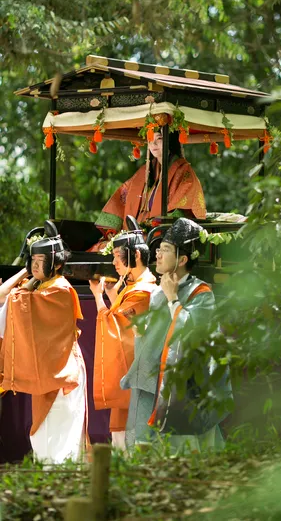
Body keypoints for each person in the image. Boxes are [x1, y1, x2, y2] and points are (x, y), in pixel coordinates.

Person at [121, 217, 230, 452]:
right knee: (149, 453)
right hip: (155, 385)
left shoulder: (202, 293)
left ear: (182, 259)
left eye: (166, 250)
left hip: (184, 392)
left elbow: (190, 336)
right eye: (158, 249)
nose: (158, 254)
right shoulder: (159, 292)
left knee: (187, 456)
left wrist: (173, 299)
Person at [0, 223, 86, 463]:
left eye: (40, 260)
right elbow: (5, 297)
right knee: (44, 431)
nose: (35, 265)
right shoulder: (40, 288)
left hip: (63, 370)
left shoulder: (59, 290)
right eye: (32, 260)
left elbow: (12, 298)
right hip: (49, 370)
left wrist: (25, 279)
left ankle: (62, 486)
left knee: (61, 432)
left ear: (57, 264)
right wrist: (27, 273)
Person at [89, 217, 156, 449]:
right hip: (130, 364)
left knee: (133, 437)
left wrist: (98, 297)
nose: (114, 262)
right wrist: (109, 294)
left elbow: (116, 325)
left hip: (138, 366)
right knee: (122, 433)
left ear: (136, 255)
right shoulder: (134, 287)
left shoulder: (144, 290)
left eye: (118, 256)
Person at [90, 130, 206, 251]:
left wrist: (153, 224)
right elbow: (122, 196)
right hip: (135, 232)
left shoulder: (184, 172)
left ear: (170, 141)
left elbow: (184, 209)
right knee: (100, 248)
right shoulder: (145, 171)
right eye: (150, 139)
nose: (153, 144)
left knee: (125, 247)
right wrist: (112, 228)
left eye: (159, 139)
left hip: (159, 234)